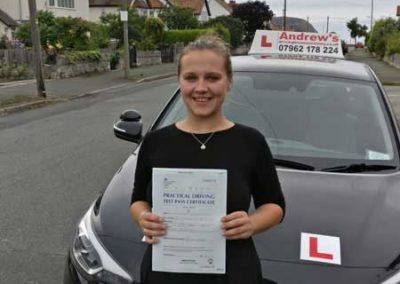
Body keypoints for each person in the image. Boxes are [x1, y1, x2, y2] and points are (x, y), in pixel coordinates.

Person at [129, 35, 285, 284]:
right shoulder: (155, 142)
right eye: (191, 78)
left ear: (229, 82)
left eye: (212, 78)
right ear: (179, 81)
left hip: (233, 273)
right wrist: (143, 218)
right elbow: (137, 200)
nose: (201, 88)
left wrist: (252, 224)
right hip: (165, 272)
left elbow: (275, 206)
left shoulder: (250, 142)